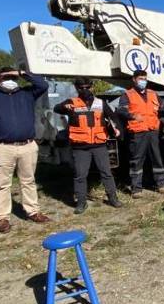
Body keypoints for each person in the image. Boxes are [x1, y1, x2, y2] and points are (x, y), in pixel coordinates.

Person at [0, 67, 51, 233]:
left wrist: (23, 74)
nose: (9, 80)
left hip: (27, 145)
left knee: (28, 180)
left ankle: (33, 211)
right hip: (1, 147)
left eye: (12, 77)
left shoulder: (27, 93)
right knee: (1, 184)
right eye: (5, 77)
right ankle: (2, 218)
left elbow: (43, 85)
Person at [53, 77, 124, 215]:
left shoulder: (100, 103)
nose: (85, 90)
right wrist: (63, 107)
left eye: (87, 87)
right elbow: (56, 108)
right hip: (80, 148)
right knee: (80, 175)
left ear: (92, 87)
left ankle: (113, 198)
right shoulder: (71, 103)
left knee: (106, 173)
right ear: (77, 88)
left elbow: (113, 117)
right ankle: (81, 202)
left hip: (99, 145)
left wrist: (117, 129)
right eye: (81, 88)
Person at [117, 70, 164, 196]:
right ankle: (136, 189)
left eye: (145, 78)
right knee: (137, 159)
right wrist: (133, 116)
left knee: (157, 157)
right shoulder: (127, 94)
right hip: (138, 132)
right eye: (140, 78)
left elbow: (163, 108)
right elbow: (121, 111)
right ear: (134, 79)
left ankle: (160, 185)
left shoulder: (153, 93)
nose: (143, 81)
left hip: (152, 131)